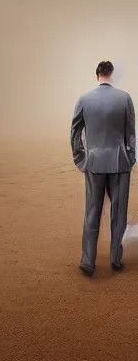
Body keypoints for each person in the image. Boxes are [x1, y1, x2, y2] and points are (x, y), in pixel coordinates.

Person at [71, 61, 136, 276]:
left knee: (92, 211)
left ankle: (88, 260)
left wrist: (81, 159)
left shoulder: (84, 99)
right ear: (111, 74)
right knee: (118, 213)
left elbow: (75, 132)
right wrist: (130, 158)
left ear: (97, 75)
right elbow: (131, 133)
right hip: (119, 162)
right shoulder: (124, 98)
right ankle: (115, 259)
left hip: (94, 162)